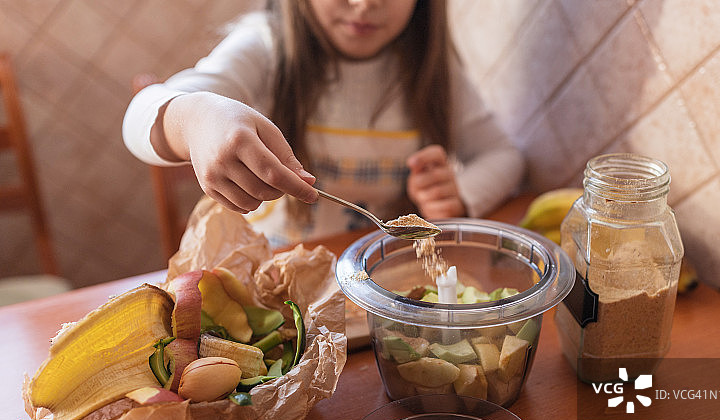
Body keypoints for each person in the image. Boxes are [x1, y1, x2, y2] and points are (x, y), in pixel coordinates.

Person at [123, 0, 524, 247]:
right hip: (268, 281)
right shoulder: (265, 46)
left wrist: (459, 196)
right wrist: (196, 117)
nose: (365, 3)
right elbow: (141, 114)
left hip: (376, 282)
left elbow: (503, 155)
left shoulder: (432, 70)